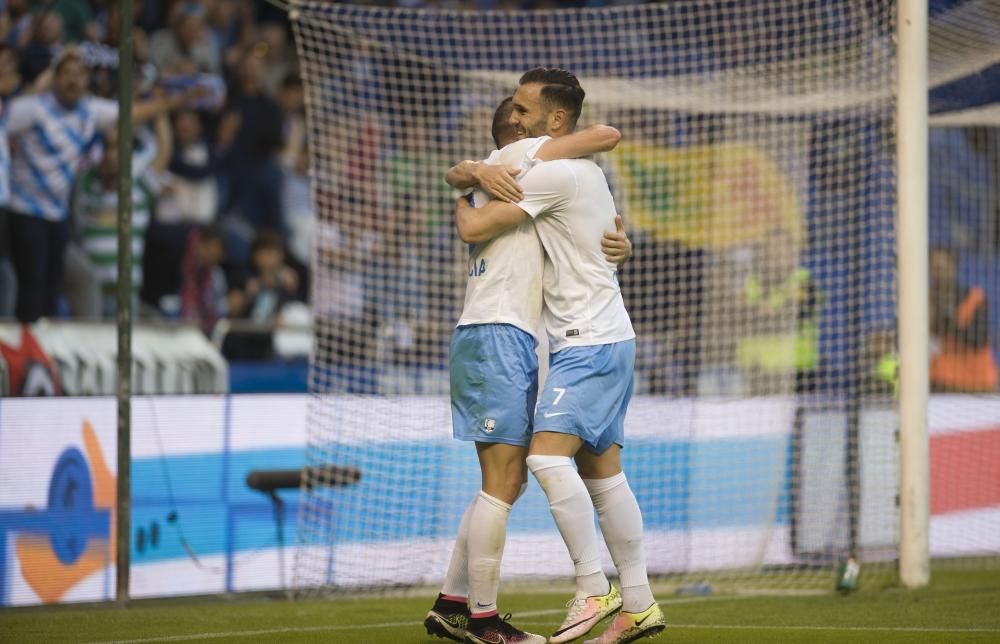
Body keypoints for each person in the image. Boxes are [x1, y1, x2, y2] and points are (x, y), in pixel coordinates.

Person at [451, 68, 664, 644]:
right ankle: (639, 604)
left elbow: (473, 223)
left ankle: (593, 586)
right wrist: (470, 171)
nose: (513, 116)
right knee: (603, 474)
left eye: (523, 109)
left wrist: (466, 182)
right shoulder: (578, 172)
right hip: (604, 335)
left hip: (587, 342)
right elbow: (604, 143)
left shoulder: (548, 171)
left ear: (554, 122)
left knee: (544, 461)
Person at [4, 48, 200, 323]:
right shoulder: (35, 108)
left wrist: (174, 102)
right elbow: (5, 119)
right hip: (24, 210)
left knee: (50, 288)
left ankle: (44, 350)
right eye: (66, 75)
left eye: (79, 75)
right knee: (31, 287)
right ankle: (25, 351)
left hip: (57, 215)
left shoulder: (88, 110)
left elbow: (132, 113)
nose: (73, 81)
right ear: (55, 78)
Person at [929, 247, 998, 392]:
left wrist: (943, 320)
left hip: (979, 384)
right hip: (941, 383)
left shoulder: (974, 297)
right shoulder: (924, 301)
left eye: (942, 268)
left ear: (953, 267)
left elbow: (977, 339)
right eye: (934, 268)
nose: (938, 274)